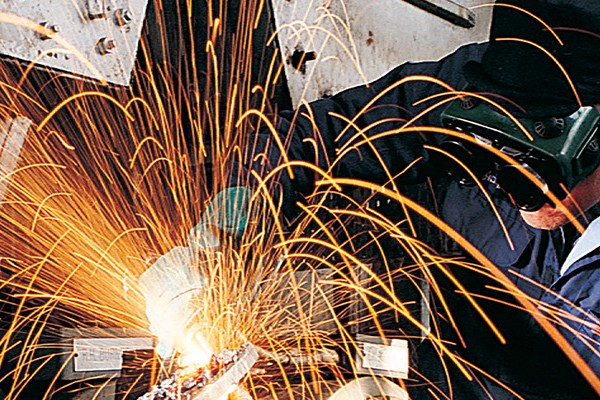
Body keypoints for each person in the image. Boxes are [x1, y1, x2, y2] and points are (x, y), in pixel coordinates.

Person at [140, 1, 600, 398]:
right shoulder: (487, 89)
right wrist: (215, 240)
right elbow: (304, 141)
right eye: (483, 158)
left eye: (524, 169)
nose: (499, 185)